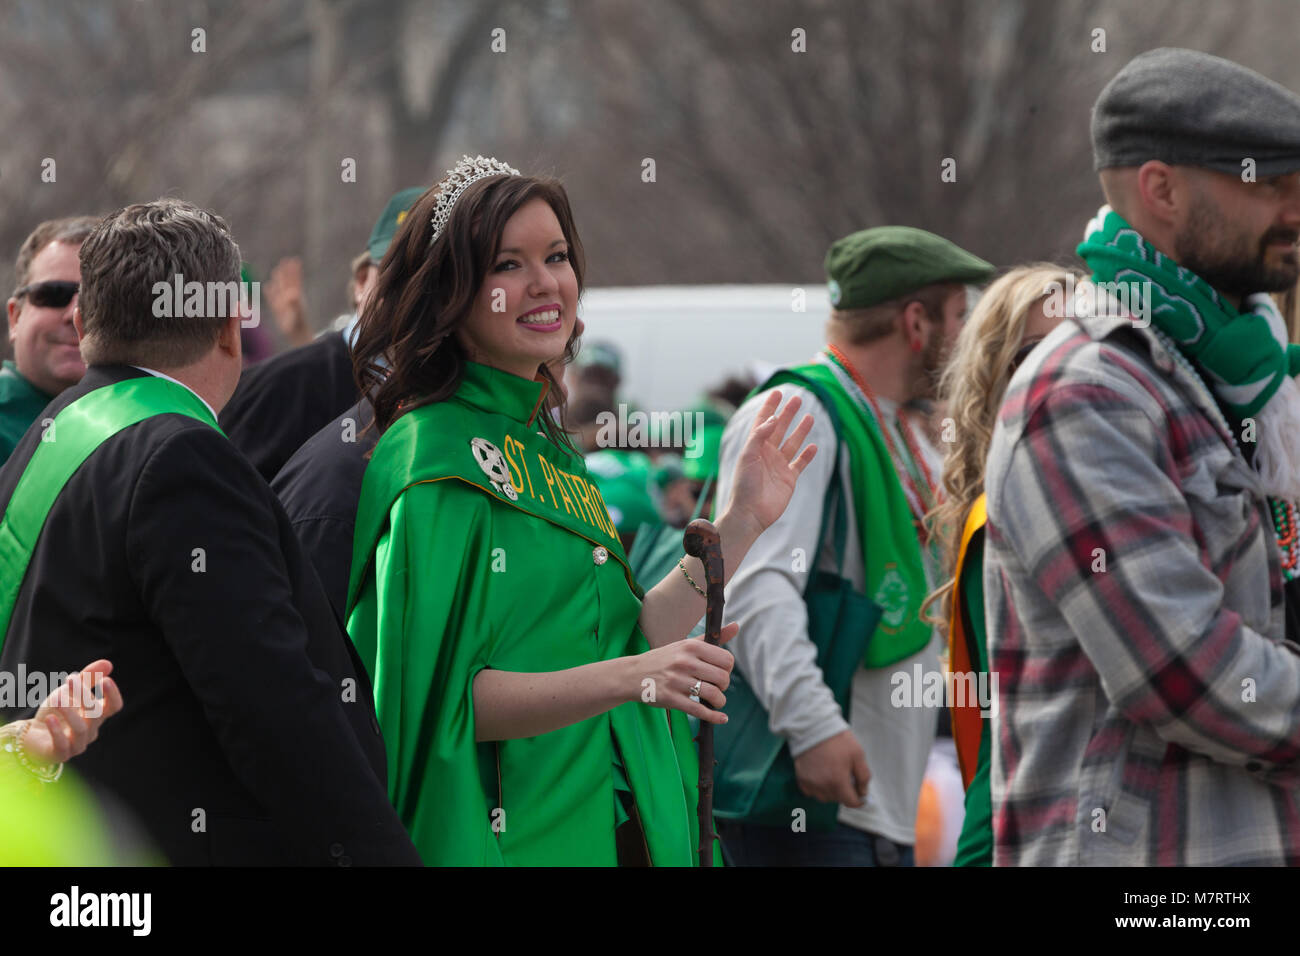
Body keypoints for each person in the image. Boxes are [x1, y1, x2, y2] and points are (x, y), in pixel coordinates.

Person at [346, 155, 818, 866]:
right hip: (515, 843)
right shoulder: (429, 456)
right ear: (455, 293)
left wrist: (743, 521)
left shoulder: (551, 449)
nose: (545, 283)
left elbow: (629, 638)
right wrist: (635, 679)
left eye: (558, 256)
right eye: (508, 264)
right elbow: (440, 700)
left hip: (620, 826)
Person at [0, 197, 420, 866]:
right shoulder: (182, 458)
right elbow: (273, 708)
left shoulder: (53, 433)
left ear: (85, 325)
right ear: (230, 330)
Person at [985, 48, 1300, 866]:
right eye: (1269, 181)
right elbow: (1187, 676)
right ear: (1161, 189)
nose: (1296, 205)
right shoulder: (1083, 394)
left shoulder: (1257, 384)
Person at [713, 226, 994, 867]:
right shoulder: (800, 410)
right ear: (916, 322)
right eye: (959, 315)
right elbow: (753, 586)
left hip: (870, 804)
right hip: (809, 802)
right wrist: (814, 729)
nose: (969, 336)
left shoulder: (897, 422)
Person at [919, 264, 1082, 867]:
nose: (1066, 373)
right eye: (1035, 355)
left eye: (1083, 347)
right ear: (994, 377)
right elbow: (1001, 741)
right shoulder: (999, 517)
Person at [220, 187, 424, 481]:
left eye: (438, 278)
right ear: (361, 280)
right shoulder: (275, 388)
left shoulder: (460, 395)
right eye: (399, 273)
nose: (416, 292)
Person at [1, 216, 99, 461]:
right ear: (15, 317)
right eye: (54, 294)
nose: (75, 314)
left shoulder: (153, 423)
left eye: (96, 298)